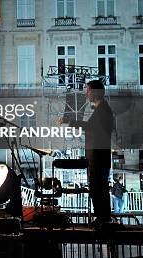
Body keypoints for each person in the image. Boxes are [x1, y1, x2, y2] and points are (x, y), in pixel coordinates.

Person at [58, 79, 114, 228]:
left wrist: (69, 121)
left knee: (98, 188)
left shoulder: (103, 110)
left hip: (98, 156)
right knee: (97, 188)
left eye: (88, 90)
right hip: (97, 156)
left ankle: (103, 219)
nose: (87, 93)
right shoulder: (102, 109)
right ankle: (102, 218)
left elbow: (90, 127)